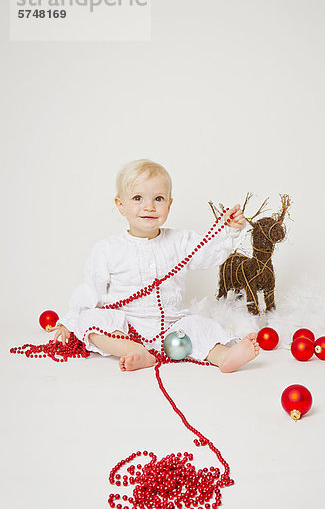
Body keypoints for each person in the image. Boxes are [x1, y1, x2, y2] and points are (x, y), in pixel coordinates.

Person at [51, 159, 260, 373]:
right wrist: (70, 320)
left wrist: (230, 230)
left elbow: (208, 253)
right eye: (137, 198)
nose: (149, 206)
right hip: (124, 324)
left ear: (169, 205)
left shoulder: (181, 241)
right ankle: (133, 350)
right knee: (90, 320)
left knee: (198, 325)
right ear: (121, 205)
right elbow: (91, 288)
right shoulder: (107, 249)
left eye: (158, 199)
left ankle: (224, 356)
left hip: (172, 324)